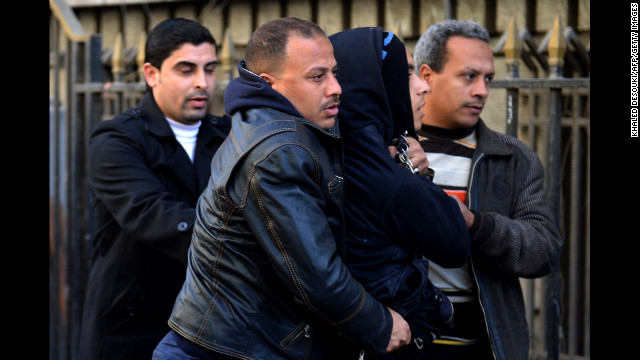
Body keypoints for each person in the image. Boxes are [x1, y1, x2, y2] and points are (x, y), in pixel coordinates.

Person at [152, 17, 412, 360]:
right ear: (268, 83)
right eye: (317, 76)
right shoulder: (277, 150)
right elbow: (316, 274)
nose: (335, 87)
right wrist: (379, 324)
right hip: (223, 351)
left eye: (335, 72)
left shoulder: (273, 122)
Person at [77, 18, 231, 360]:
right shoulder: (117, 139)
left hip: (207, 327)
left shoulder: (229, 136)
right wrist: (243, 242)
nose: (202, 83)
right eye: (186, 69)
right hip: (130, 328)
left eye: (209, 69)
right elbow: (151, 213)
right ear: (151, 74)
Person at [413, 19, 563, 360]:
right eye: (469, 76)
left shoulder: (512, 157)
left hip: (486, 347)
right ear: (426, 75)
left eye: (488, 79)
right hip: (401, 343)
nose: (482, 90)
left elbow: (545, 249)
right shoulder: (386, 152)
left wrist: (477, 224)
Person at [329, 27, 471, 360]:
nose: (424, 86)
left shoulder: (333, 152)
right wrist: (414, 174)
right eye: (406, 74)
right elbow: (454, 244)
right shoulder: (381, 175)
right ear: (374, 85)